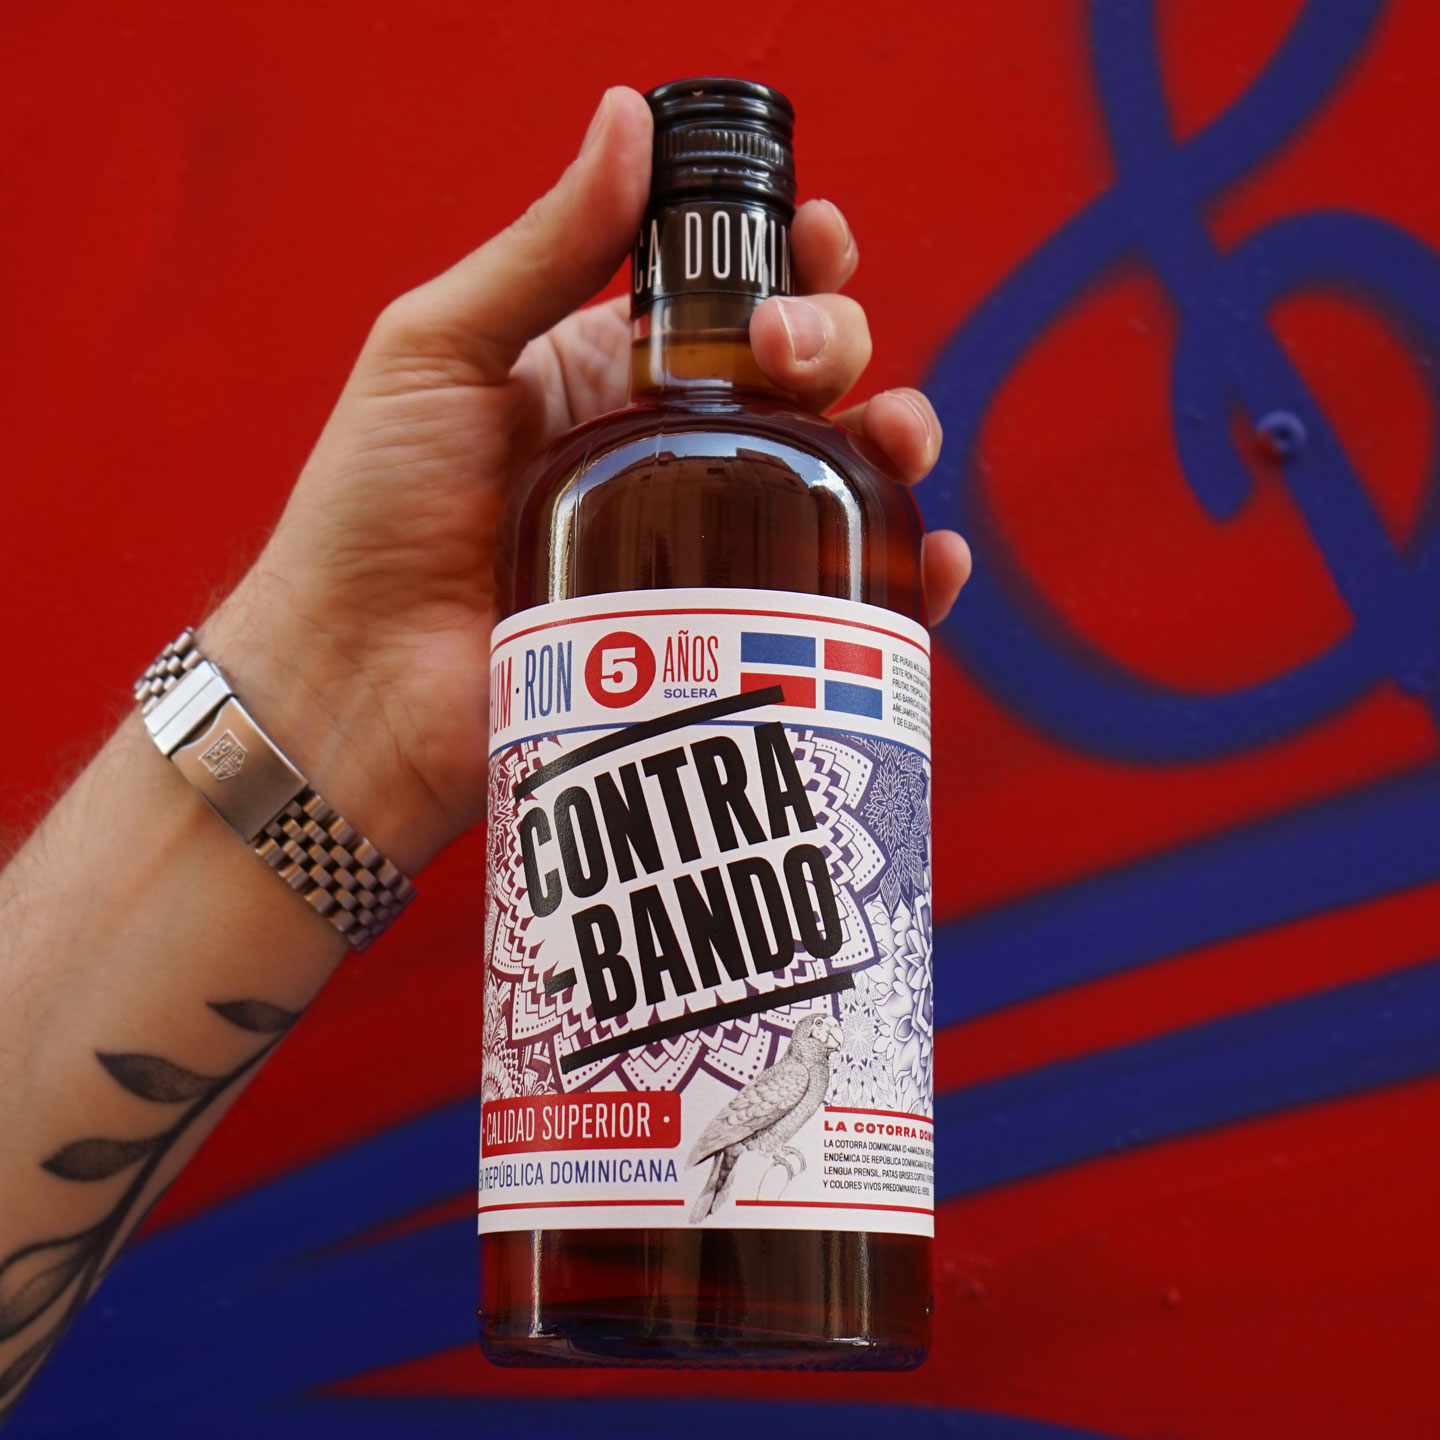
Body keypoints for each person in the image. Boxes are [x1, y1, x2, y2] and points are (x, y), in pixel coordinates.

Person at [0, 86, 971, 1414]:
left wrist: (340, 698)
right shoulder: (582, 488)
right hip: (584, 1219)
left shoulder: (796, 489)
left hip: (832, 1204)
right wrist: (322, 672)